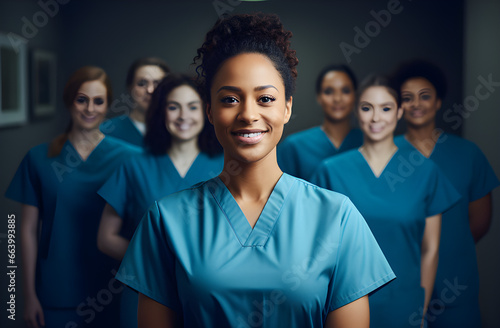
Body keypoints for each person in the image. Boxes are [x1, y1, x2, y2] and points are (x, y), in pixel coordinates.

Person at [115, 13, 395, 328]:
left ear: (287, 107)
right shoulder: (166, 220)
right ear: (210, 110)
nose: (249, 114)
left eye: (265, 99)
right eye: (230, 99)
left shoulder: (338, 218)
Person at [311, 75, 460, 328]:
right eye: (367, 108)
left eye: (386, 108)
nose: (376, 118)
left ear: (400, 112)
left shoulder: (425, 171)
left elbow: (430, 249)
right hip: (343, 303)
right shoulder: (330, 171)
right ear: (357, 112)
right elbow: (317, 247)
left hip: (404, 306)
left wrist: (420, 310)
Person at [5, 66, 141, 328]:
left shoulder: (129, 158)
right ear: (69, 101)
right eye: (82, 99)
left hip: (114, 288)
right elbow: (24, 230)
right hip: (57, 289)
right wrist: (25, 296)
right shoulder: (38, 158)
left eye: (98, 101)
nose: (90, 108)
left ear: (107, 105)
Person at [97, 73, 223, 328]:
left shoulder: (225, 166)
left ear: (207, 112)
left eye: (193, 107)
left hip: (209, 293)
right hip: (146, 289)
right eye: (173, 107)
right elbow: (105, 237)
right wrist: (153, 259)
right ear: (160, 113)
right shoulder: (134, 167)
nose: (183, 116)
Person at [392, 60, 499, 328]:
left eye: (425, 96)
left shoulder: (467, 154)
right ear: (398, 107)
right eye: (407, 98)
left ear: (438, 102)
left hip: (455, 281)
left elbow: (480, 222)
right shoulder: (384, 155)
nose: (416, 104)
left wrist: (450, 248)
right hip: (399, 280)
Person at [277, 64, 362, 181]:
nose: (337, 98)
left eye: (345, 91)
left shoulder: (367, 142)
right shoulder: (293, 146)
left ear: (355, 96)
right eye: (328, 92)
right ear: (319, 97)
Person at [101, 57, 170, 147]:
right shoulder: (107, 131)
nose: (150, 90)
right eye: (142, 83)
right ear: (130, 88)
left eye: (157, 83)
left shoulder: (177, 130)